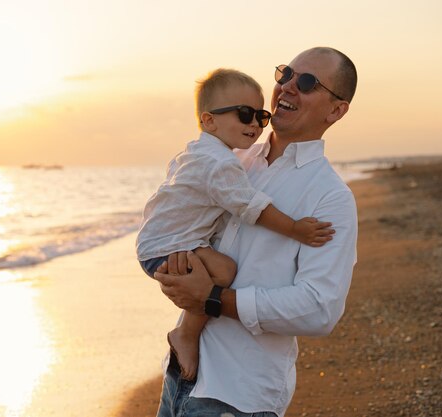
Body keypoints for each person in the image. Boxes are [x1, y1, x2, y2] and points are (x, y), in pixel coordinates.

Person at [153, 47, 359, 417]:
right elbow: (178, 217)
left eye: (308, 82)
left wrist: (214, 298)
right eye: (286, 75)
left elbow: (319, 309)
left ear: (336, 110)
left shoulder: (331, 197)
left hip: (238, 392)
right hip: (181, 375)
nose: (288, 88)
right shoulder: (231, 161)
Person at [136, 68, 335, 381]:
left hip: (158, 241)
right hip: (168, 247)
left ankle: (186, 333)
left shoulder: (196, 152)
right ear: (209, 120)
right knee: (224, 271)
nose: (255, 124)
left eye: (261, 115)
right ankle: (186, 334)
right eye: (244, 115)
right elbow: (251, 208)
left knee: (216, 269)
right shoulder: (221, 163)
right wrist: (295, 229)